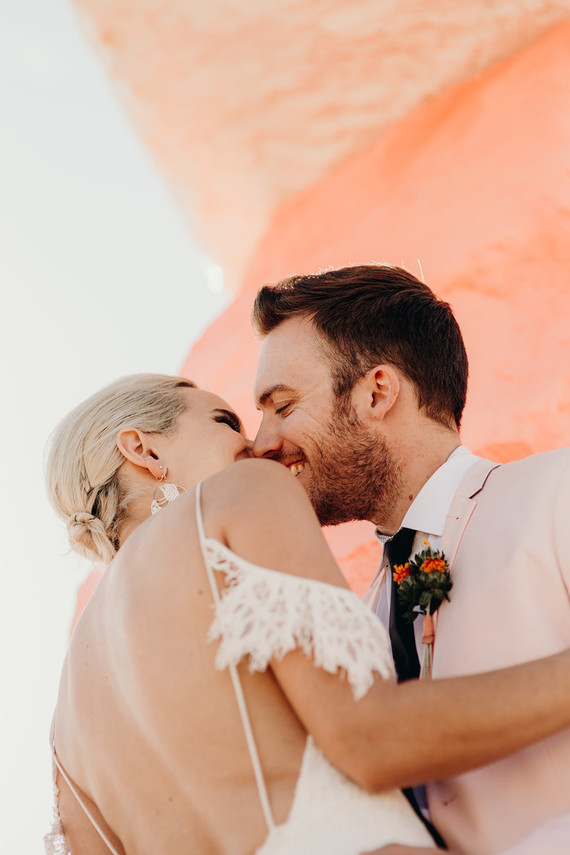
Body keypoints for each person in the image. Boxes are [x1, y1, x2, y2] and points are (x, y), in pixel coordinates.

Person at [43, 375, 570, 855]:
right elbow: (371, 737)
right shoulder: (238, 496)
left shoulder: (68, 718)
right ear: (142, 448)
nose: (255, 445)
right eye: (225, 422)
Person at [251, 264, 570, 854]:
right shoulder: (355, 621)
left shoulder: (559, 491)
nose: (262, 441)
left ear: (377, 391)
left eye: (283, 405)